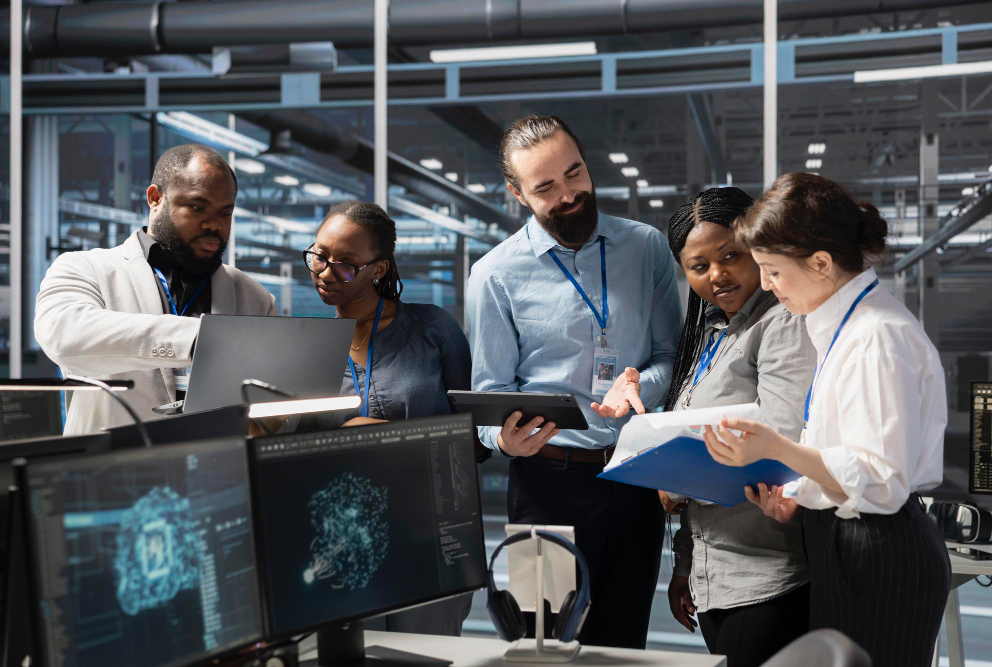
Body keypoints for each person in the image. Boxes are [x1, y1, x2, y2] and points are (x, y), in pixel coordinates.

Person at [702, 173, 950, 667]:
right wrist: (802, 496)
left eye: (772, 271)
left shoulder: (876, 337)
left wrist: (774, 447)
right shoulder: (841, 326)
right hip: (848, 538)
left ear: (820, 263)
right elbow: (850, 453)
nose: (767, 286)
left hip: (881, 550)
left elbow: (880, 478)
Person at [466, 114, 682, 649]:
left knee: (624, 644)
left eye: (575, 173)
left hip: (634, 478)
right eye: (546, 187)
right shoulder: (494, 274)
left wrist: (639, 387)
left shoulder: (646, 247)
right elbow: (490, 392)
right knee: (544, 645)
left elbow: (668, 357)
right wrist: (501, 438)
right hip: (546, 484)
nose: (569, 194)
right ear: (518, 193)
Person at [301, 200, 474, 636]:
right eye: (319, 255)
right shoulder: (305, 348)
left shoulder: (433, 329)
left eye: (346, 265)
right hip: (344, 537)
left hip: (432, 531)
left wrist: (381, 439)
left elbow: (474, 438)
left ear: (378, 270)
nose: (325, 271)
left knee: (430, 652)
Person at [662, 187, 814, 667]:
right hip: (717, 575)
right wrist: (686, 566)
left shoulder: (781, 323)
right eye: (699, 265)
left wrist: (678, 480)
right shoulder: (713, 333)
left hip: (766, 576)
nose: (717, 275)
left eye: (731, 256)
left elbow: (780, 447)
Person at [35, 144, 276, 435]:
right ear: (155, 198)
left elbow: (278, 398)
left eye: (225, 213)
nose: (214, 225)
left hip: (219, 471)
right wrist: (201, 339)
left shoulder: (255, 296)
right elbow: (65, 337)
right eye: (198, 207)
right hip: (113, 472)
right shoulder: (85, 268)